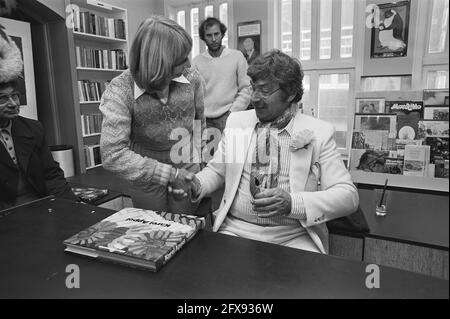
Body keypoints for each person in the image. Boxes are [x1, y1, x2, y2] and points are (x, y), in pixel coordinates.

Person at [173, 50, 359, 253]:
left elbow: (348, 197)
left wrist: (293, 203)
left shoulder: (320, 132)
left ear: (290, 93)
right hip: (236, 230)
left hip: (294, 235)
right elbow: (218, 171)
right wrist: (196, 184)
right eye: (253, 88)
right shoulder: (237, 122)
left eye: (264, 91)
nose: (254, 98)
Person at [99, 16, 206, 214]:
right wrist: (169, 174)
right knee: (156, 231)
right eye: (181, 59)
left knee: (184, 226)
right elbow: (112, 154)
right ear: (160, 63)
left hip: (187, 162)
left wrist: (201, 161)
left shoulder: (193, 79)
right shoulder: (120, 90)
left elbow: (200, 121)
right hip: (144, 173)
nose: (189, 65)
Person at [0, 25, 76, 211]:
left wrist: (73, 208)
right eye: (3, 98)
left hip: (40, 206)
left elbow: (52, 175)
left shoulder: (34, 128)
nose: (13, 103)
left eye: (15, 95)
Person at [192, 17, 251, 136]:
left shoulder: (237, 56)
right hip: (204, 120)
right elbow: (192, 93)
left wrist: (233, 112)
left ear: (222, 34)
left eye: (216, 34)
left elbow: (247, 88)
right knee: (205, 154)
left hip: (229, 116)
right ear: (203, 38)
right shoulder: (196, 61)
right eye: (209, 35)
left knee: (230, 153)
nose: (213, 39)